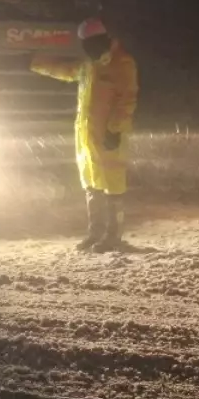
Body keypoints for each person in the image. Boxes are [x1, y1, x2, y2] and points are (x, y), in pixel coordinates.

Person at [31, 18, 139, 252]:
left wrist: (115, 129)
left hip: (110, 137)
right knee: (92, 183)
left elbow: (127, 100)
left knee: (113, 185)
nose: (88, 50)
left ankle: (113, 236)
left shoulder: (123, 63)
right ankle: (95, 233)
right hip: (87, 137)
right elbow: (65, 70)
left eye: (90, 44)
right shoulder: (90, 64)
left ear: (102, 40)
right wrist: (34, 62)